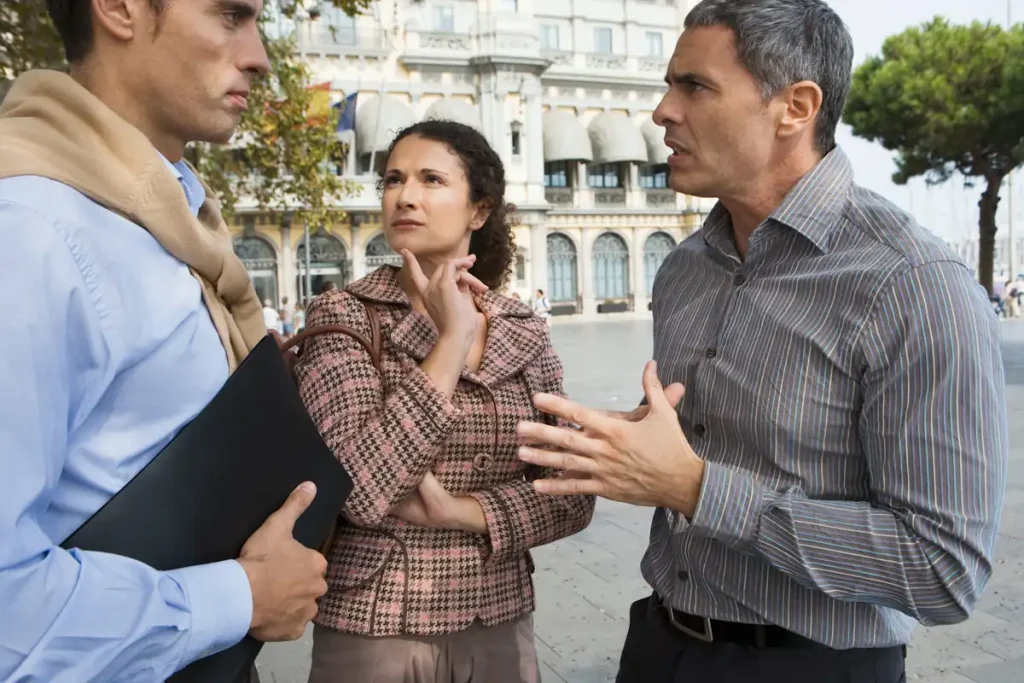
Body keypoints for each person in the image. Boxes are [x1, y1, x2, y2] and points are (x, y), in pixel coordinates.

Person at [515, 2, 1008, 682]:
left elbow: (943, 568)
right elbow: (702, 451)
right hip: (659, 643)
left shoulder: (912, 284)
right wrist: (632, 450)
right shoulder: (686, 267)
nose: (661, 111)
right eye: (668, 85)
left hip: (813, 665)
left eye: (694, 86)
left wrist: (695, 485)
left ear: (795, 107)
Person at [0, 0, 329, 681]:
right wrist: (239, 597)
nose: (260, 56)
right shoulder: (31, 231)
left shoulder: (163, 214)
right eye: (230, 16)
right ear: (120, 8)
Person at [294, 119, 596, 683]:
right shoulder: (345, 315)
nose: (405, 196)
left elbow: (573, 495)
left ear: (478, 211)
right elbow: (357, 487)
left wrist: (465, 513)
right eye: (392, 180)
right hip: (377, 623)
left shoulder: (522, 329)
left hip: (498, 616)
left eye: (432, 179)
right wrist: (453, 341)